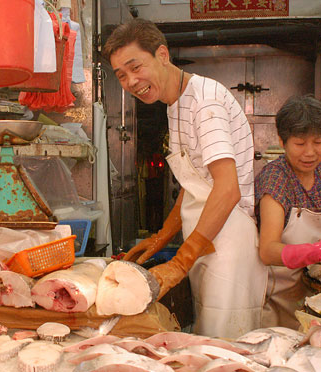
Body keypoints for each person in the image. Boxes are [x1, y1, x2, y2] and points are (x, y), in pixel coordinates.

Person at [104, 18, 267, 338]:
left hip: (228, 241)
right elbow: (195, 182)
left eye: (135, 67)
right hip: (207, 242)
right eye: (121, 75)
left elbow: (227, 189)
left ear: (162, 54)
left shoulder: (204, 102)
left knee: (225, 347)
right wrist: (162, 236)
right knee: (208, 338)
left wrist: (181, 262)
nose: (131, 81)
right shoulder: (175, 102)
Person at [255, 95, 321, 329]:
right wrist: (318, 251)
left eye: (319, 142)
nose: (310, 152)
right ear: (282, 141)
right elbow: (268, 250)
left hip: (309, 285)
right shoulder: (276, 177)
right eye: (300, 144)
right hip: (273, 289)